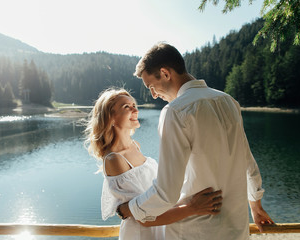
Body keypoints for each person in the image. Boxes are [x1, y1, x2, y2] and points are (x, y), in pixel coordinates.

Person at [117, 43, 274, 240]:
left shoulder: (175, 112)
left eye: (151, 87)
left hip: (195, 232)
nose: (154, 95)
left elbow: (167, 192)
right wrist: (256, 205)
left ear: (165, 73)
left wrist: (130, 208)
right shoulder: (228, 101)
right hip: (236, 229)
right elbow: (248, 162)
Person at [84, 88, 223, 240]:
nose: (135, 110)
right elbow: (144, 218)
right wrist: (193, 208)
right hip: (141, 234)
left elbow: (154, 198)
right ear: (110, 118)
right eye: (126, 107)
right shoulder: (114, 160)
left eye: (134, 105)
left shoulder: (135, 145)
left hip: (161, 226)